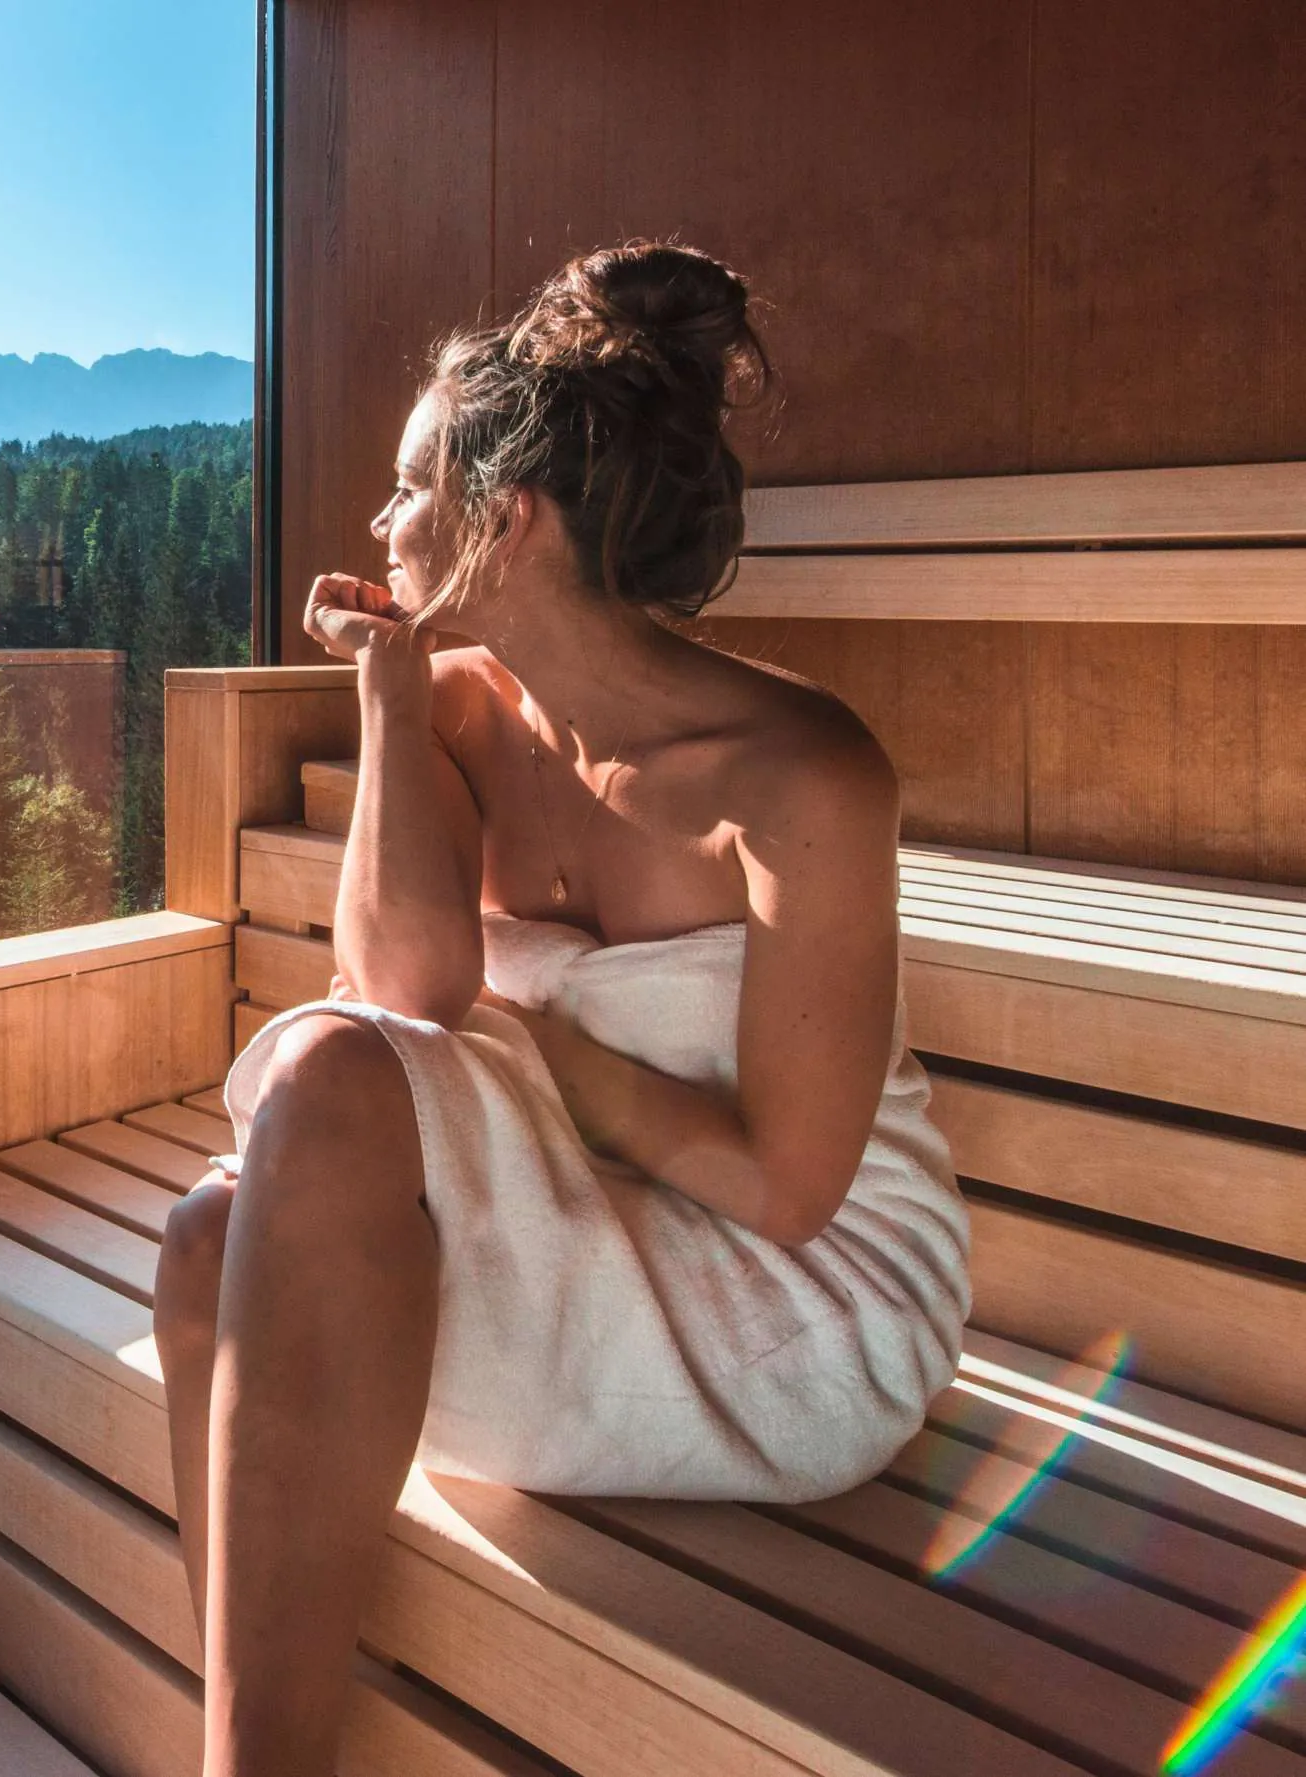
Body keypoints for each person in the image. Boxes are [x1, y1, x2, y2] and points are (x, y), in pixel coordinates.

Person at [149, 242, 970, 1776]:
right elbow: (403, 989)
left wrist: (560, 1068)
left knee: (311, 1116)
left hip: (794, 1304)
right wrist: (388, 706)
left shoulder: (800, 778)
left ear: (502, 519)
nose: (382, 529)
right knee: (208, 1238)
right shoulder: (454, 710)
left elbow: (791, 1191)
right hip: (586, 1198)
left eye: (408, 492)